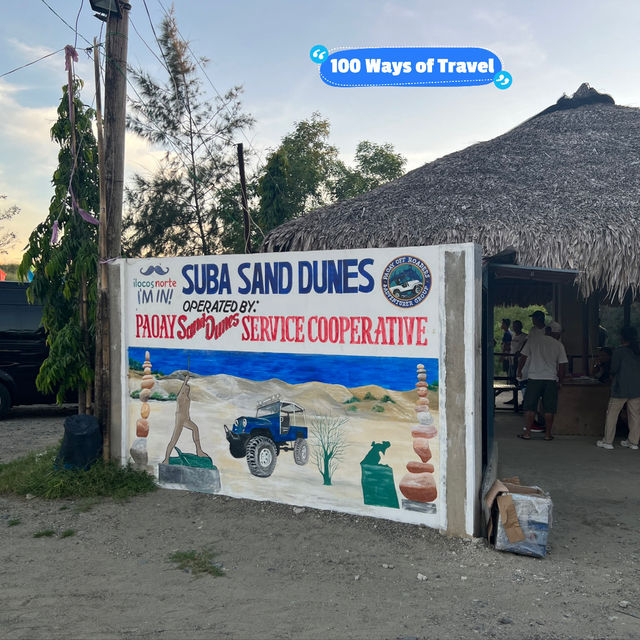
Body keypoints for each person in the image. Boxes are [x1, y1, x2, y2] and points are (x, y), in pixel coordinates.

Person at [516, 311, 568, 441]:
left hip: (534, 378)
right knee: (549, 408)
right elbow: (562, 366)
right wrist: (561, 381)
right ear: (554, 332)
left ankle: (527, 433)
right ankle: (548, 434)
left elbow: (523, 356)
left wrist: (519, 370)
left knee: (530, 407)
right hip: (550, 379)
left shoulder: (533, 341)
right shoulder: (559, 345)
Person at [596, 327, 640, 450]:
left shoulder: (619, 351)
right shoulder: (637, 350)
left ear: (622, 337)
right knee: (635, 415)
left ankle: (608, 441)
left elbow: (614, 369)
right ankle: (633, 442)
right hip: (637, 387)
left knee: (612, 414)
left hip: (620, 387)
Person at [162, 373, 210, 464]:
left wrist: (189, 418)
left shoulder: (187, 397)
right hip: (180, 419)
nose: (187, 390)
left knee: (195, 429)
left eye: (188, 389)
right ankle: (166, 459)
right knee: (174, 440)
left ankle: (199, 451)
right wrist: (185, 381)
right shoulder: (180, 397)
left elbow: (187, 410)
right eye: (186, 389)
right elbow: (181, 392)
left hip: (186, 419)